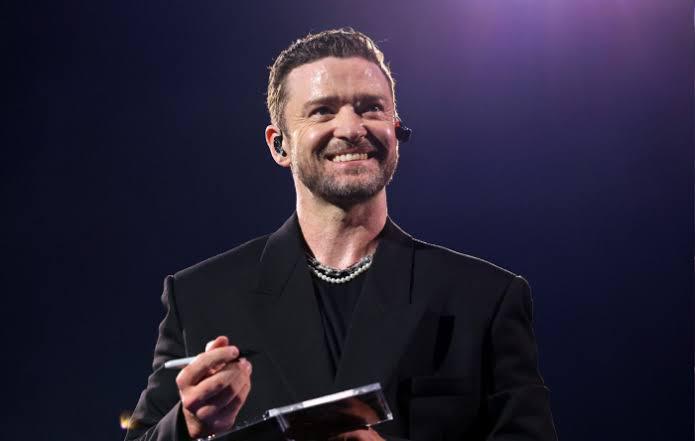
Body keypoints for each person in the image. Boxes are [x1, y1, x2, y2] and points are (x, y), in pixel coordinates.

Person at [125, 28, 557, 441]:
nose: (352, 128)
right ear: (279, 145)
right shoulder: (201, 297)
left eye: (371, 108)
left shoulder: (485, 299)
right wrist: (187, 426)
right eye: (323, 111)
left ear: (395, 129)